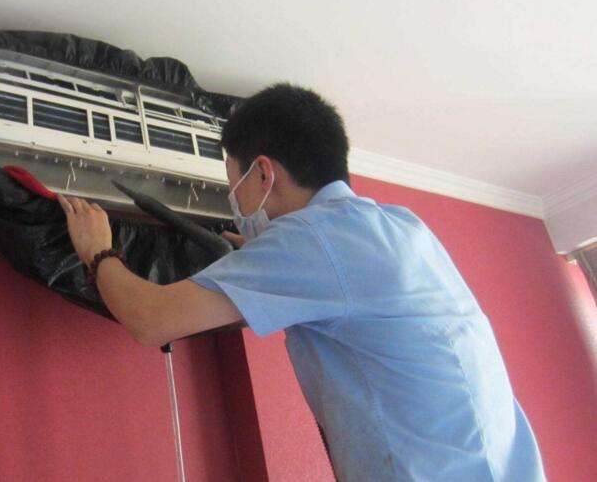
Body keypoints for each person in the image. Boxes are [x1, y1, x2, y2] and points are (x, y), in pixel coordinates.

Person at [57, 84, 546, 481]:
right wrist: (263, 261)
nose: (234, 200)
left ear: (263, 173)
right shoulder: (400, 227)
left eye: (233, 185)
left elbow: (151, 320)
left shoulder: (313, 241)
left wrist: (97, 250)